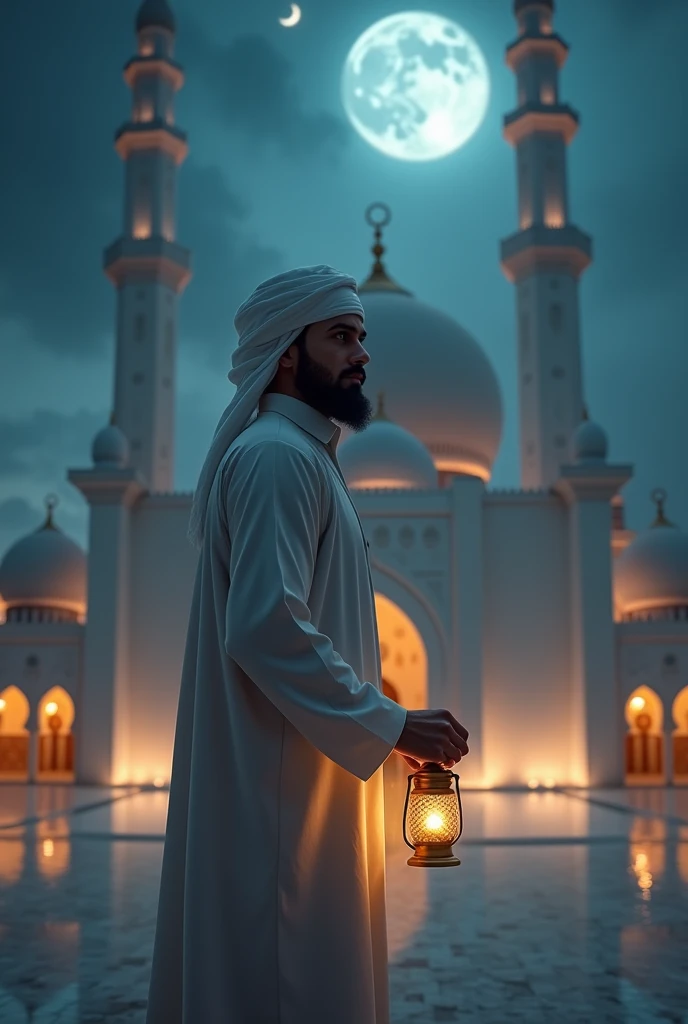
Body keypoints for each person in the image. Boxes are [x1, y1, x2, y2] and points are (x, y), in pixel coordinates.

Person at [146, 265, 469, 1024]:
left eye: (363, 335)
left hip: (304, 795)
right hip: (280, 814)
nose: (361, 353)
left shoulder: (304, 459)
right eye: (341, 335)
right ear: (288, 352)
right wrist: (392, 724)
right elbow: (266, 624)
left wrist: (387, 733)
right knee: (287, 983)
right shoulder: (276, 459)